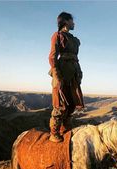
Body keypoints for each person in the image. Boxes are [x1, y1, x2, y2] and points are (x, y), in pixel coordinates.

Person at [48, 12, 84, 142]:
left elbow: (75, 58)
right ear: (66, 21)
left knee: (72, 103)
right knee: (61, 104)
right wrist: (57, 75)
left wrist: (78, 73)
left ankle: (66, 128)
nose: (74, 23)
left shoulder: (74, 39)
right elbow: (52, 57)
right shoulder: (57, 36)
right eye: (72, 21)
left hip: (73, 72)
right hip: (62, 72)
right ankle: (54, 132)